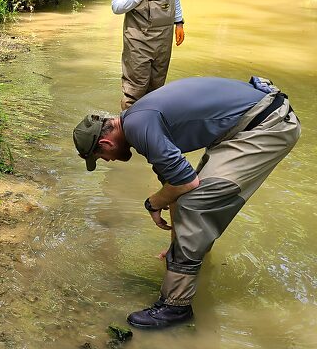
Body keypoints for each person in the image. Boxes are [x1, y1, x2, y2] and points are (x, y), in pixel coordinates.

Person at [72, 77, 300, 329]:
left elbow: (186, 184)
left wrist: (152, 203)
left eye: (102, 157)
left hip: (267, 125)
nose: (108, 161)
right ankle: (188, 261)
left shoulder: (139, 125)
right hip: (252, 122)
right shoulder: (136, 122)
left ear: (105, 143)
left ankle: (175, 307)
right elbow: (175, 186)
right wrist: (175, 241)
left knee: (197, 203)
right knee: (191, 200)